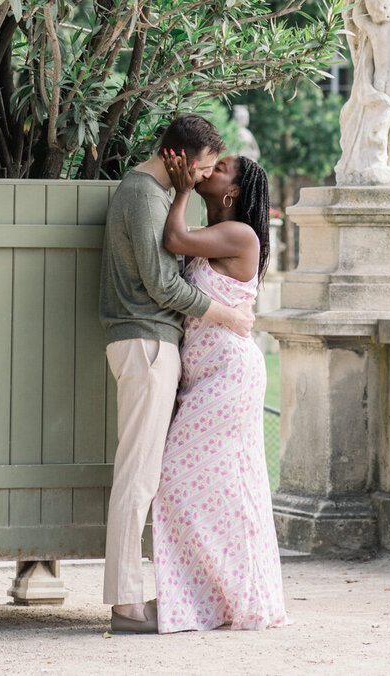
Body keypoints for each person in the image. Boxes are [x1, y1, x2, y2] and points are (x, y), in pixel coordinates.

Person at [98, 113, 256, 634]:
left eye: (215, 169)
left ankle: (179, 593)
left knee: (145, 475)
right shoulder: (145, 195)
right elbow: (164, 288)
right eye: (205, 165)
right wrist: (228, 315)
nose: (206, 174)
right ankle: (125, 604)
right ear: (182, 158)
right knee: (139, 476)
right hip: (145, 344)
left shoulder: (156, 195)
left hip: (154, 345)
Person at [149, 149, 288, 633]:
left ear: (231, 191)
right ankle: (210, 599)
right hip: (203, 376)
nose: (211, 168)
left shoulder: (239, 234)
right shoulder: (218, 234)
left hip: (229, 377)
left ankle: (207, 598)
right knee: (220, 489)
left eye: (221, 167)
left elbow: (173, 238)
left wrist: (183, 185)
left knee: (175, 480)